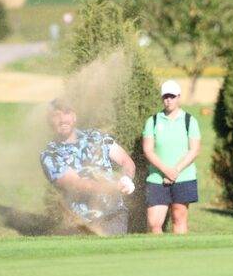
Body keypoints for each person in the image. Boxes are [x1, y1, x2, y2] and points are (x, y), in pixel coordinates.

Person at [40, 97, 136, 235]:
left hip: (113, 216)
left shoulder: (96, 136)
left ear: (74, 117)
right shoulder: (50, 156)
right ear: (50, 121)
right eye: (56, 115)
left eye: (66, 113)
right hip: (80, 223)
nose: (62, 119)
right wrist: (115, 186)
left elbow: (125, 161)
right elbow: (78, 184)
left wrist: (127, 178)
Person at [142, 80, 201, 234]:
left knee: (178, 218)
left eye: (172, 96)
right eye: (165, 96)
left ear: (178, 97)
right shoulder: (153, 121)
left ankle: (180, 256)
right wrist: (166, 171)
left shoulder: (189, 120)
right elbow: (148, 150)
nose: (168, 100)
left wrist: (175, 171)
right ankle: (158, 257)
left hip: (183, 177)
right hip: (157, 178)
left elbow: (194, 150)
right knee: (154, 223)